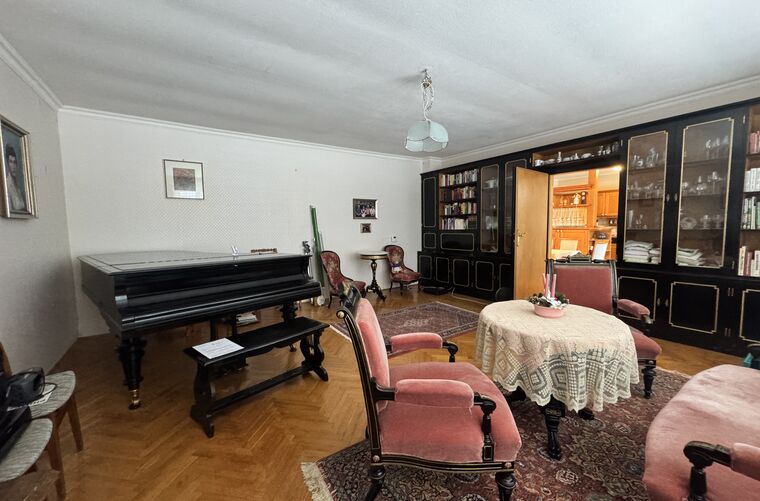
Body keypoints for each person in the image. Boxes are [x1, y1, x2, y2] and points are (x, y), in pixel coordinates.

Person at [5, 145, 26, 211]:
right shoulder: (7, 184)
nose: (13, 166)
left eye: (14, 162)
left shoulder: (18, 184)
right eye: (11, 162)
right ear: (7, 163)